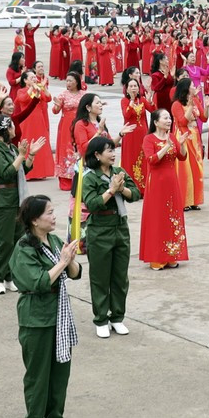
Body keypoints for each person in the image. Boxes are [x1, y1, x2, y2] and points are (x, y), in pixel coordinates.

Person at [11, 193, 82, 418]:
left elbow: (74, 274)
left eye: (53, 211)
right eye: (49, 213)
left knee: (59, 374)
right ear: (33, 220)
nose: (54, 216)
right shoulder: (23, 248)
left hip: (60, 314)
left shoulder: (53, 240)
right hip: (36, 318)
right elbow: (38, 282)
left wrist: (70, 260)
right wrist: (62, 263)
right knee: (38, 377)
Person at [77, 135, 141, 337]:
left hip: (120, 228)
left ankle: (117, 317)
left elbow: (137, 194)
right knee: (100, 277)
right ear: (97, 155)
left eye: (114, 150)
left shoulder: (119, 172)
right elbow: (92, 204)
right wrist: (111, 191)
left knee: (120, 277)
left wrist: (123, 189)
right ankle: (101, 319)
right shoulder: (89, 178)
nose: (113, 154)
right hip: (99, 230)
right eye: (109, 150)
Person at [0, 115, 42, 294]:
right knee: (4, 242)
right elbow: (6, 172)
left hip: (17, 198)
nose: (14, 129)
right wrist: (20, 155)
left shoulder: (10, 147)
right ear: (4, 129)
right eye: (11, 126)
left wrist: (30, 155)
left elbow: (22, 169)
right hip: (3, 200)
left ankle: (9, 276)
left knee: (17, 240)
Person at [139, 109, 188, 269]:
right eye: (165, 118)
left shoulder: (172, 136)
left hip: (171, 182)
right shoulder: (149, 139)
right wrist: (166, 147)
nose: (169, 120)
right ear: (155, 122)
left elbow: (182, 157)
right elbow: (151, 160)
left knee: (172, 217)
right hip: (157, 184)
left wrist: (181, 144)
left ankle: (171, 254)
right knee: (157, 218)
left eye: (169, 118)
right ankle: (157, 257)